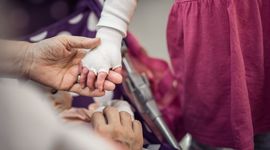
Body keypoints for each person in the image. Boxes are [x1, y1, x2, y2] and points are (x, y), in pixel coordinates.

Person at [81, 0, 270, 150]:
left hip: (261, 22)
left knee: (262, 110)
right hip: (209, 39)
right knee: (208, 114)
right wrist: (109, 34)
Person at [0, 35, 143, 150]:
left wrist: (122, 116)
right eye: (41, 100)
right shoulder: (35, 131)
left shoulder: (83, 112)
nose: (52, 99)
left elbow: (116, 105)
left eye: (54, 91)